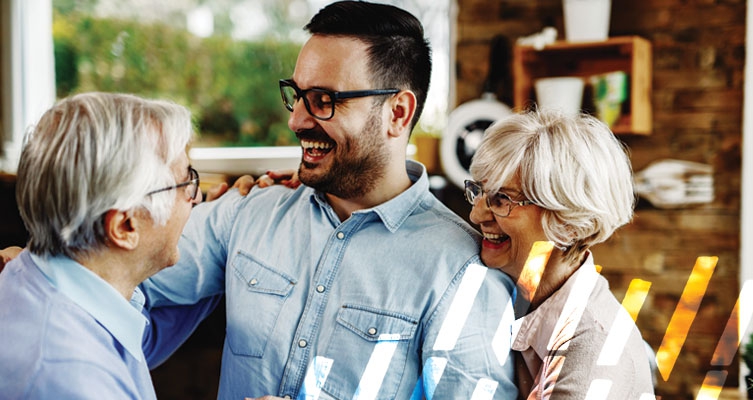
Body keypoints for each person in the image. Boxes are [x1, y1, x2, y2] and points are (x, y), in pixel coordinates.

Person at [141, 1, 517, 399]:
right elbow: (115, 281)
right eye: (297, 95)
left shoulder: (460, 272)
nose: (296, 120)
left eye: (323, 100)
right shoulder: (249, 209)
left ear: (397, 112)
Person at [0, 92, 217, 398]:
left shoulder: (30, 276)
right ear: (124, 226)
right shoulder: (69, 378)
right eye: (186, 181)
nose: (195, 197)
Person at [465, 109, 655, 398]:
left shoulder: (594, 355)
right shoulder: (513, 301)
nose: (476, 214)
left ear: (569, 222)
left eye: (501, 199)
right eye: (479, 192)